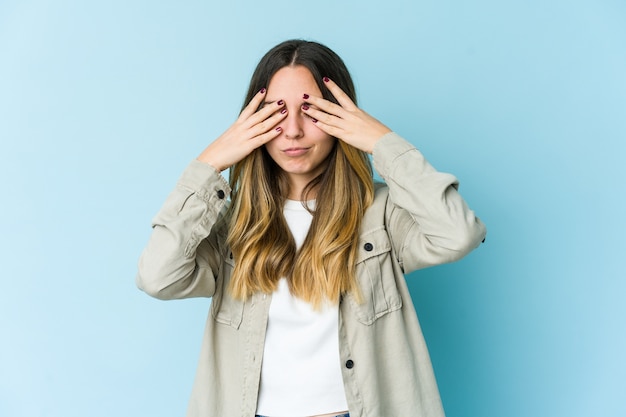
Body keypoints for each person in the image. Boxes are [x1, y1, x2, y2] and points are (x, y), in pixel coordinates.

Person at [137, 39, 486, 417]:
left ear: (342, 117)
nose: (293, 131)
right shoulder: (229, 222)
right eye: (276, 112)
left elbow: (458, 234)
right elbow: (157, 276)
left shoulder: (381, 212)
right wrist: (209, 163)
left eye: (310, 110)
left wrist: (381, 142)